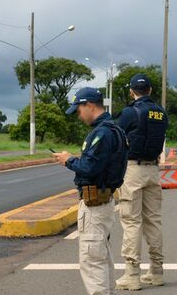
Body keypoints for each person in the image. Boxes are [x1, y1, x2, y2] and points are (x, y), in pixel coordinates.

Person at [53, 87, 128, 295]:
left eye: (79, 108)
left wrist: (69, 160)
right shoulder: (115, 129)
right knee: (101, 257)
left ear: (90, 105)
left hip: (95, 204)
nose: (78, 114)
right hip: (105, 200)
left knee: (92, 261)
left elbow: (89, 168)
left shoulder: (101, 133)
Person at [114, 73, 168, 290]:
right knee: (153, 220)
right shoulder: (161, 113)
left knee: (131, 221)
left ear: (131, 91)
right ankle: (156, 271)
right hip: (153, 170)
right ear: (151, 91)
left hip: (133, 170)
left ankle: (132, 274)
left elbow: (116, 137)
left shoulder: (130, 112)